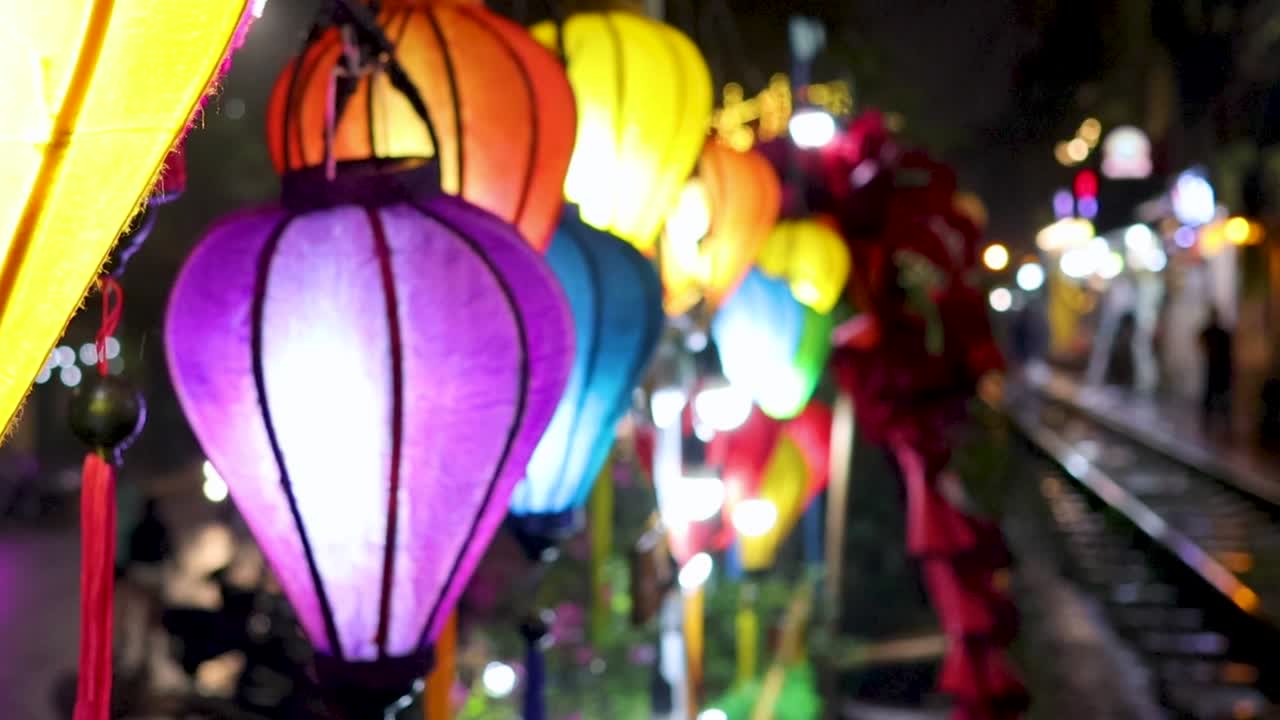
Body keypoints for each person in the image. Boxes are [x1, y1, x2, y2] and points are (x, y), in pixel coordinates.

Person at [1198, 307, 1233, 432]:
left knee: (1218, 389)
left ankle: (1217, 417)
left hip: (1220, 364)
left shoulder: (1220, 333)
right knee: (1212, 389)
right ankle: (1210, 418)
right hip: (1215, 364)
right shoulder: (1213, 331)